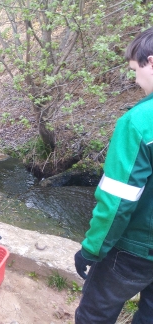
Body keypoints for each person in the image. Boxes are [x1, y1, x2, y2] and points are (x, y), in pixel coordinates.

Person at [74, 28, 153, 323]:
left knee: (95, 314)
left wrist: (91, 250)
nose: (135, 79)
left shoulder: (139, 122)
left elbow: (118, 198)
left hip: (135, 249)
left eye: (135, 70)